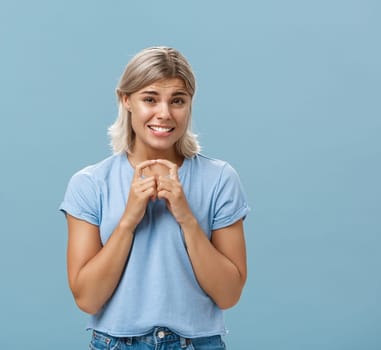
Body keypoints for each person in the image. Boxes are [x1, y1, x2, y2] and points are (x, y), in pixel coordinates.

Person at [59, 46, 250, 350]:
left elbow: (229, 295)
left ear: (190, 104)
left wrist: (186, 217)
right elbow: (87, 298)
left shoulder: (220, 179)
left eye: (177, 101)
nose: (164, 113)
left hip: (197, 343)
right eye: (150, 99)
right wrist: (128, 220)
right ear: (126, 100)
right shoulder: (90, 184)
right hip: (116, 344)